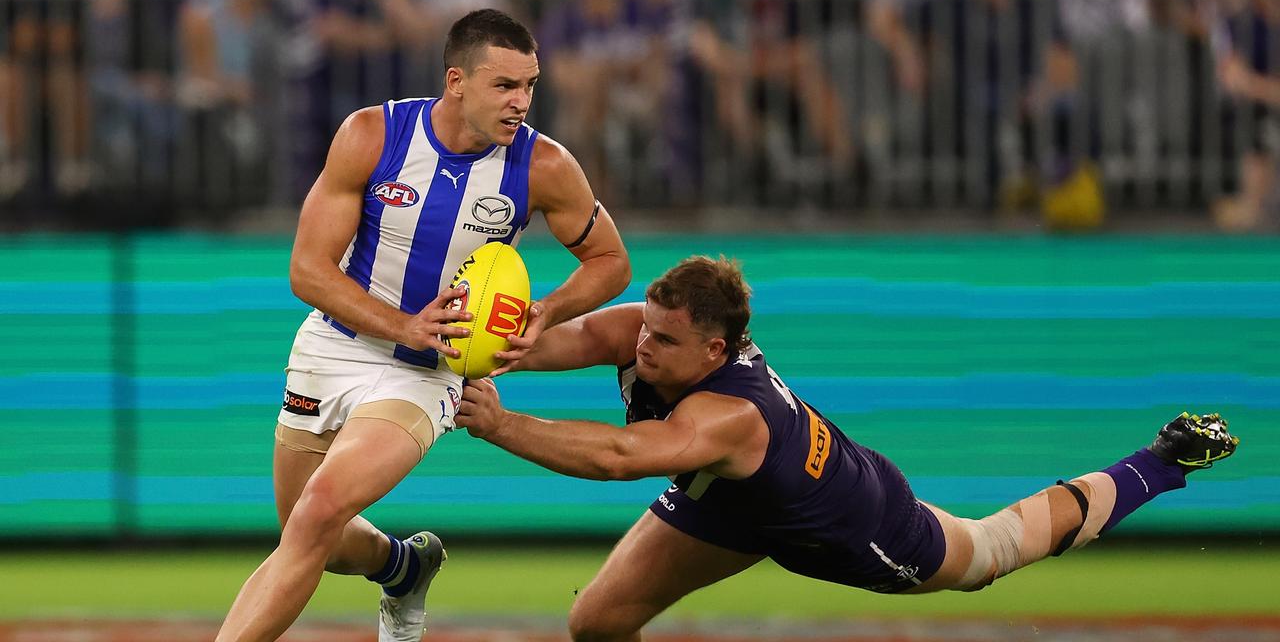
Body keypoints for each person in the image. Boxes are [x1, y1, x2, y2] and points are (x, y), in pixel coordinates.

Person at [457, 255, 1240, 642]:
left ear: (717, 348)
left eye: (664, 340)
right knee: (594, 625)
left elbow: (621, 458)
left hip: (850, 514)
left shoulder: (732, 411)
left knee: (990, 551)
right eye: (647, 329)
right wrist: (499, 346)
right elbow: (591, 333)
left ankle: (1161, 462)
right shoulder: (661, 331)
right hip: (727, 503)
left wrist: (499, 424)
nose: (643, 345)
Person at [215, 8, 631, 642]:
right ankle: (403, 567)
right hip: (333, 345)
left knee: (319, 514)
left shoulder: (543, 166)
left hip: (428, 371)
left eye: (529, 86)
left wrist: (543, 312)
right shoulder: (371, 136)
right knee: (313, 534)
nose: (520, 102)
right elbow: (307, 269)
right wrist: (403, 322)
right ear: (456, 79)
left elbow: (611, 260)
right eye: (504, 85)